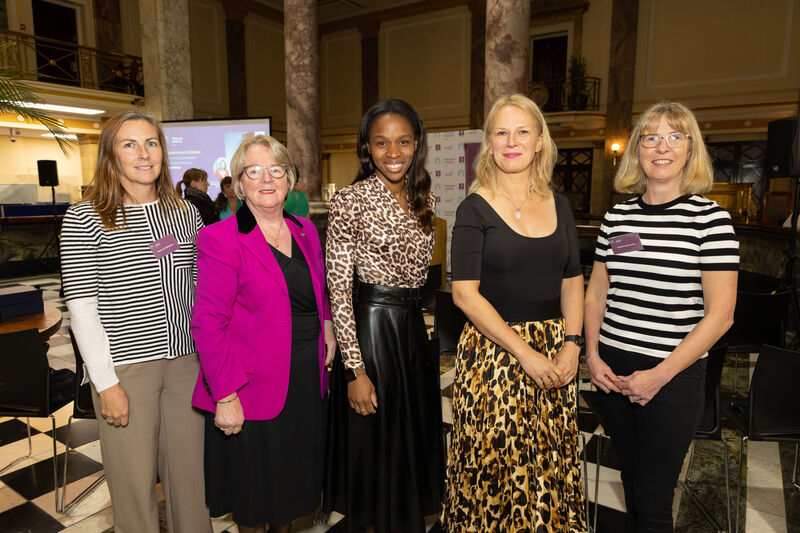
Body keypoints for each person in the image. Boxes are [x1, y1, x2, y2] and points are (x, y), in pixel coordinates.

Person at [584, 101, 739, 533]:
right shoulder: (619, 217)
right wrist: (592, 356)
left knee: (653, 502)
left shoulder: (710, 220)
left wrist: (659, 375)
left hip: (672, 377)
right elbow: (597, 293)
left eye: (675, 136)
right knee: (631, 483)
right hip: (612, 371)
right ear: (637, 150)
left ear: (691, 149)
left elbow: (721, 316)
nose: (662, 147)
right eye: (650, 137)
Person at [440, 94, 587, 532]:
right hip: (494, 356)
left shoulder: (560, 204)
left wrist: (573, 344)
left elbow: (572, 278)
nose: (511, 141)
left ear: (540, 141)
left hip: (556, 352)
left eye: (522, 131)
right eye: (501, 132)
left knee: (548, 466)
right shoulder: (474, 208)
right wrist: (525, 353)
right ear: (489, 142)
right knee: (495, 470)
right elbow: (465, 295)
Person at [60, 110, 212, 533]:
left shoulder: (186, 213)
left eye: (152, 143)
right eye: (130, 144)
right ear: (111, 154)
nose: (144, 154)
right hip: (127, 369)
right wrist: (105, 384)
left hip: (186, 366)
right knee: (133, 484)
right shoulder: (86, 218)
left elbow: (202, 290)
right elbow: (82, 308)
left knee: (191, 480)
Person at [191, 135, 336, 533]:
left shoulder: (305, 228)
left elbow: (316, 289)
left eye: (276, 170)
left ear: (290, 180)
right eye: (253, 171)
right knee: (255, 505)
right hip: (250, 389)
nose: (266, 179)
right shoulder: (220, 239)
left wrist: (327, 328)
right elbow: (207, 323)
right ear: (238, 184)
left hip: (305, 382)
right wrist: (225, 395)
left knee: (291, 497)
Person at [323, 98, 444, 533]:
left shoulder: (425, 197)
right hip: (371, 333)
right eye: (381, 143)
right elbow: (338, 287)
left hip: (412, 332)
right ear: (367, 148)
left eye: (403, 141)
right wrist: (355, 369)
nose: (393, 152)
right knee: (375, 451)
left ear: (417, 145)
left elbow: (418, 279)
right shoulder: (350, 201)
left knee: (410, 441)